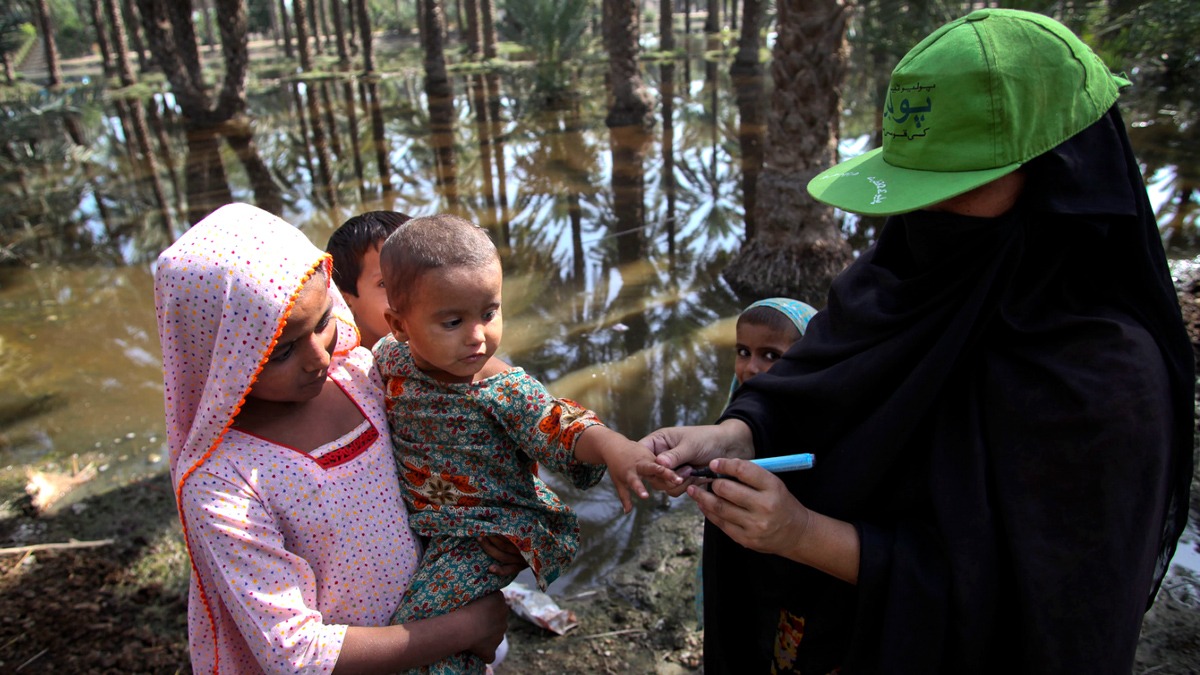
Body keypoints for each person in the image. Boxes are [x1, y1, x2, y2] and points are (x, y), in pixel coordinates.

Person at [643, 9, 1194, 674]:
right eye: (915, 184)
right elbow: (817, 386)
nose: (924, 213)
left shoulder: (1104, 380)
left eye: (955, 184)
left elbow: (1040, 615)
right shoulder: (893, 279)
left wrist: (804, 535)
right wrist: (742, 431)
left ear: (1058, 177)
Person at [154, 203, 511, 674]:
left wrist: (496, 522)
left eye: (324, 322)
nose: (318, 357)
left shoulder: (363, 375)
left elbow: (475, 411)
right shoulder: (223, 483)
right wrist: (467, 627)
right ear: (217, 354)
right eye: (281, 349)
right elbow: (296, 654)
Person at [373, 213, 681, 674]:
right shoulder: (387, 359)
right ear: (398, 325)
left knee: (424, 632)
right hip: (429, 524)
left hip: (483, 533)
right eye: (453, 321)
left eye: (489, 313)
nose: (478, 336)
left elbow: (559, 424)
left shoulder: (502, 389)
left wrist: (616, 447)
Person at [326, 210, 412, 351]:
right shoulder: (338, 369)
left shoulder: (452, 356)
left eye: (421, 277)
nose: (413, 294)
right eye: (384, 283)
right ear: (345, 298)